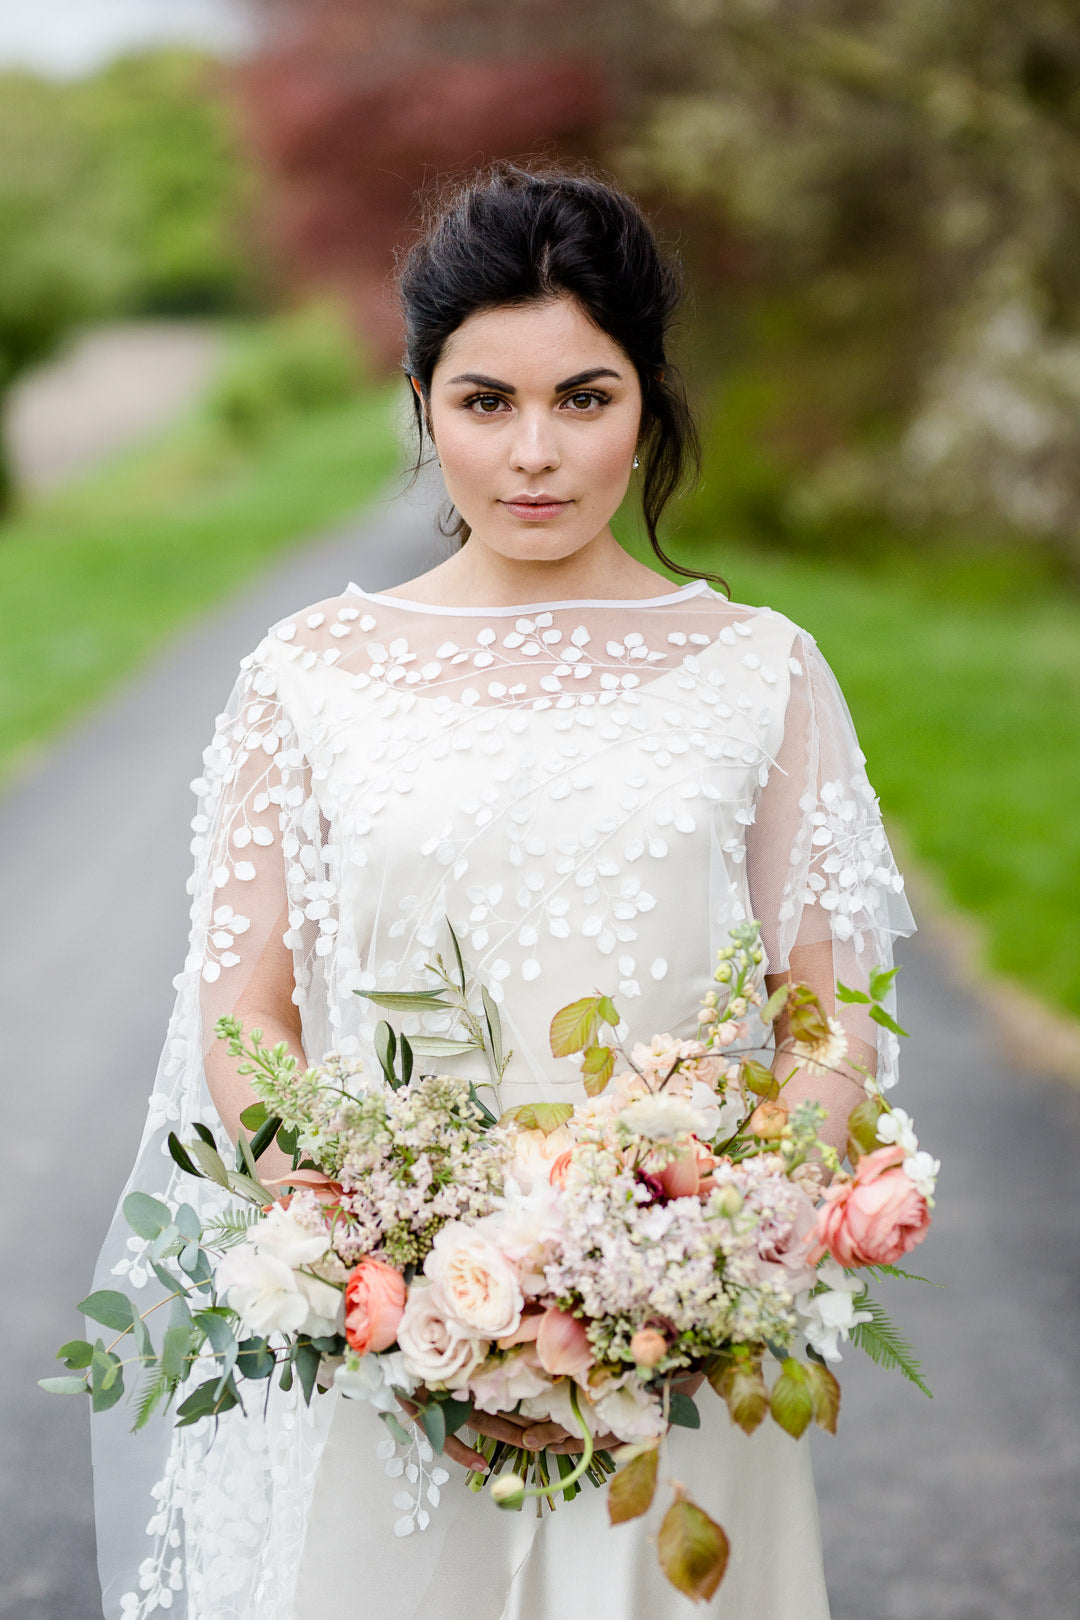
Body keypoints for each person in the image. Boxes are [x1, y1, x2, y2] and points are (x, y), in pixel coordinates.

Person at [90, 161, 916, 1619]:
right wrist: (386, 1280)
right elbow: (247, 1011)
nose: (534, 453)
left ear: (648, 401)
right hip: (401, 1359)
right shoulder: (310, 676)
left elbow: (831, 1013)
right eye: (487, 403)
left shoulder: (760, 671)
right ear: (421, 403)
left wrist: (688, 1274)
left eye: (583, 398)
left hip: (683, 1357)